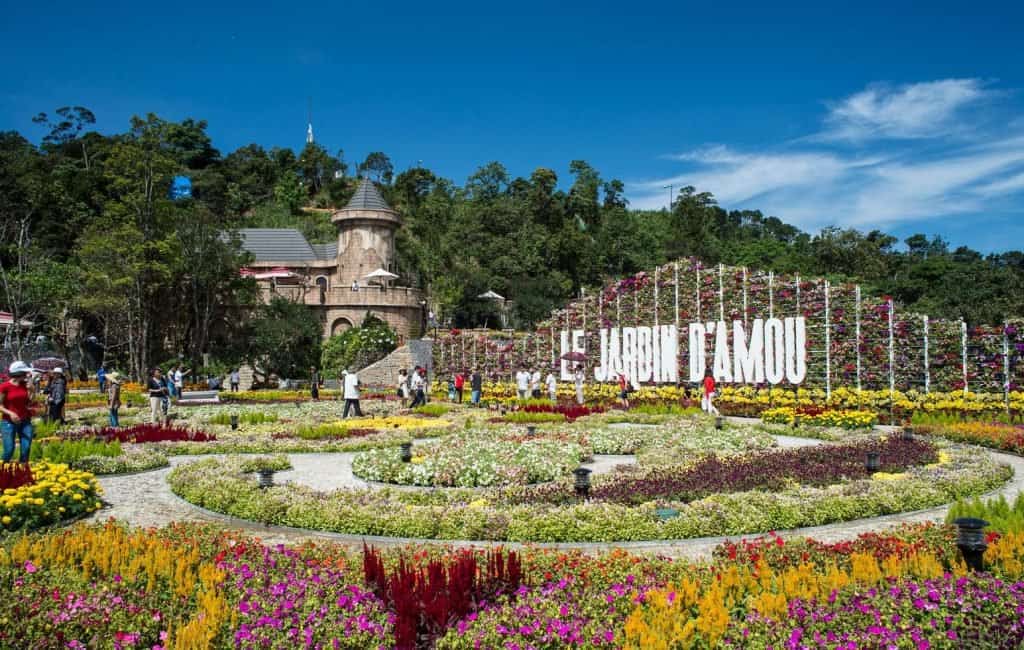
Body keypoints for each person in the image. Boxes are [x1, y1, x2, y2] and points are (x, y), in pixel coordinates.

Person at [0, 361, 35, 463]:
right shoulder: (4, 386)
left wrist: (32, 390)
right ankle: (2, 471)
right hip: (8, 422)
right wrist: (11, 413)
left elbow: (30, 401)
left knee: (26, 448)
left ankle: (22, 472)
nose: (26, 375)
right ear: (17, 374)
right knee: (9, 450)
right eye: (24, 373)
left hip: (25, 420)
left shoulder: (25, 385)